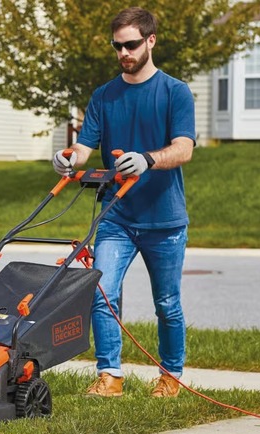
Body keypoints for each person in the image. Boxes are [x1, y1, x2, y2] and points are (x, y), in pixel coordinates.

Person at [52, 7, 195, 398]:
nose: (123, 53)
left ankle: (171, 376)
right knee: (103, 291)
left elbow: (184, 149)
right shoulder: (104, 96)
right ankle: (110, 376)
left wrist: (148, 159)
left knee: (166, 302)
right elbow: (84, 146)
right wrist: (69, 158)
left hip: (164, 220)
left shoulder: (175, 92)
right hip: (117, 216)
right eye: (117, 47)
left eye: (131, 44)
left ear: (150, 41)